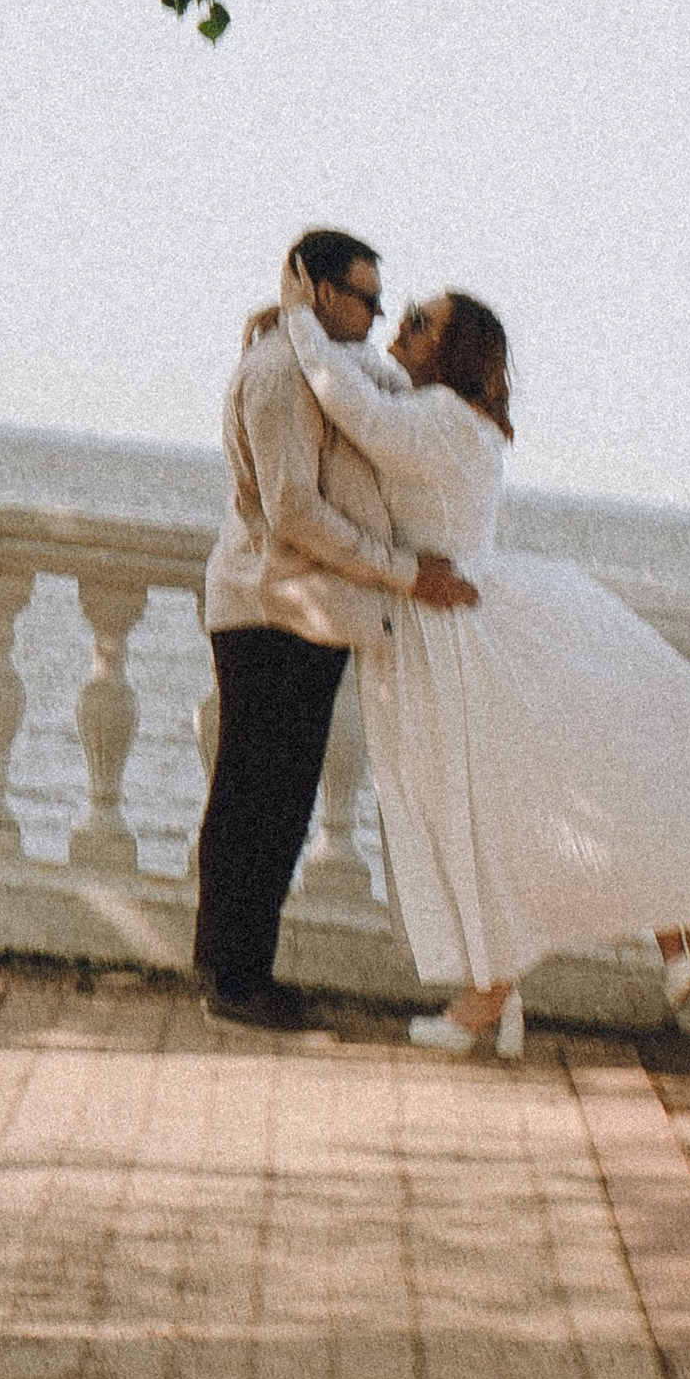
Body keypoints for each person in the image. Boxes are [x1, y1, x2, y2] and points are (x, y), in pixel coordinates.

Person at [278, 265, 690, 1057]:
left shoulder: (440, 422)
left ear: (450, 354)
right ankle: (639, 944)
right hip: (458, 622)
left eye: (420, 321)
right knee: (536, 799)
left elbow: (349, 402)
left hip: (457, 634)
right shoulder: (452, 414)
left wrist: (295, 319)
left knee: (491, 811)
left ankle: (498, 990)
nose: (402, 323)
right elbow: (375, 385)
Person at [193, 230, 481, 1031]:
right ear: (321, 291)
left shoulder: (325, 362)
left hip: (300, 610)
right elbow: (293, 511)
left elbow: (394, 392)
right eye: (366, 297)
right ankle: (234, 978)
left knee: (272, 801)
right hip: (272, 607)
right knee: (258, 801)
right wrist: (399, 571)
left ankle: (237, 968)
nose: (379, 313)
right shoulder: (284, 373)